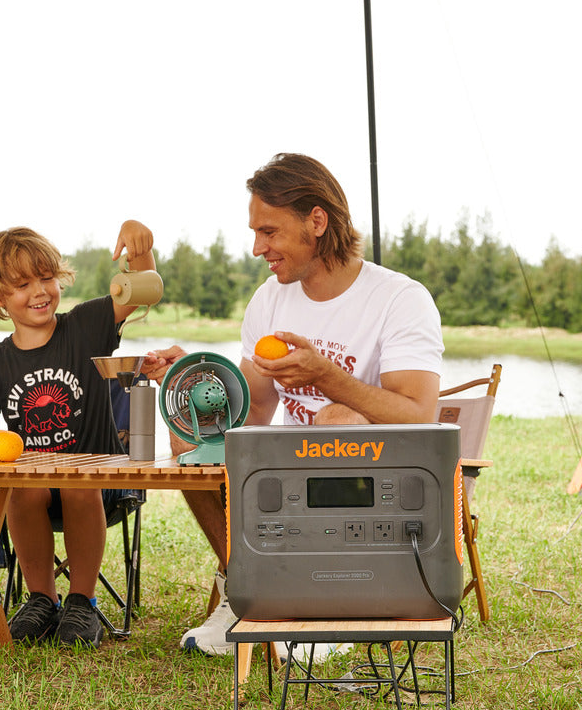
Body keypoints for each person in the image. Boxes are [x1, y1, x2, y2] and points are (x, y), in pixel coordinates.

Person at [144, 152, 444, 657]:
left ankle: (330, 605)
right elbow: (252, 412)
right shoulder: (270, 299)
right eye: (255, 233)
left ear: (317, 221)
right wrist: (194, 376)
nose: (258, 247)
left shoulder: (399, 299)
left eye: (270, 232)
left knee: (335, 417)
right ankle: (247, 589)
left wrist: (326, 377)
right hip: (297, 469)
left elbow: (419, 415)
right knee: (195, 439)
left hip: (380, 485)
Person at [0, 222, 156, 647]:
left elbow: (143, 290)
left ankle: (81, 602)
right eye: (22, 284)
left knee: (76, 483)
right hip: (33, 490)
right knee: (22, 487)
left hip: (99, 486)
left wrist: (139, 248)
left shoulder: (85, 326)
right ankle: (42, 600)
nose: (40, 291)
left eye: (47, 277)